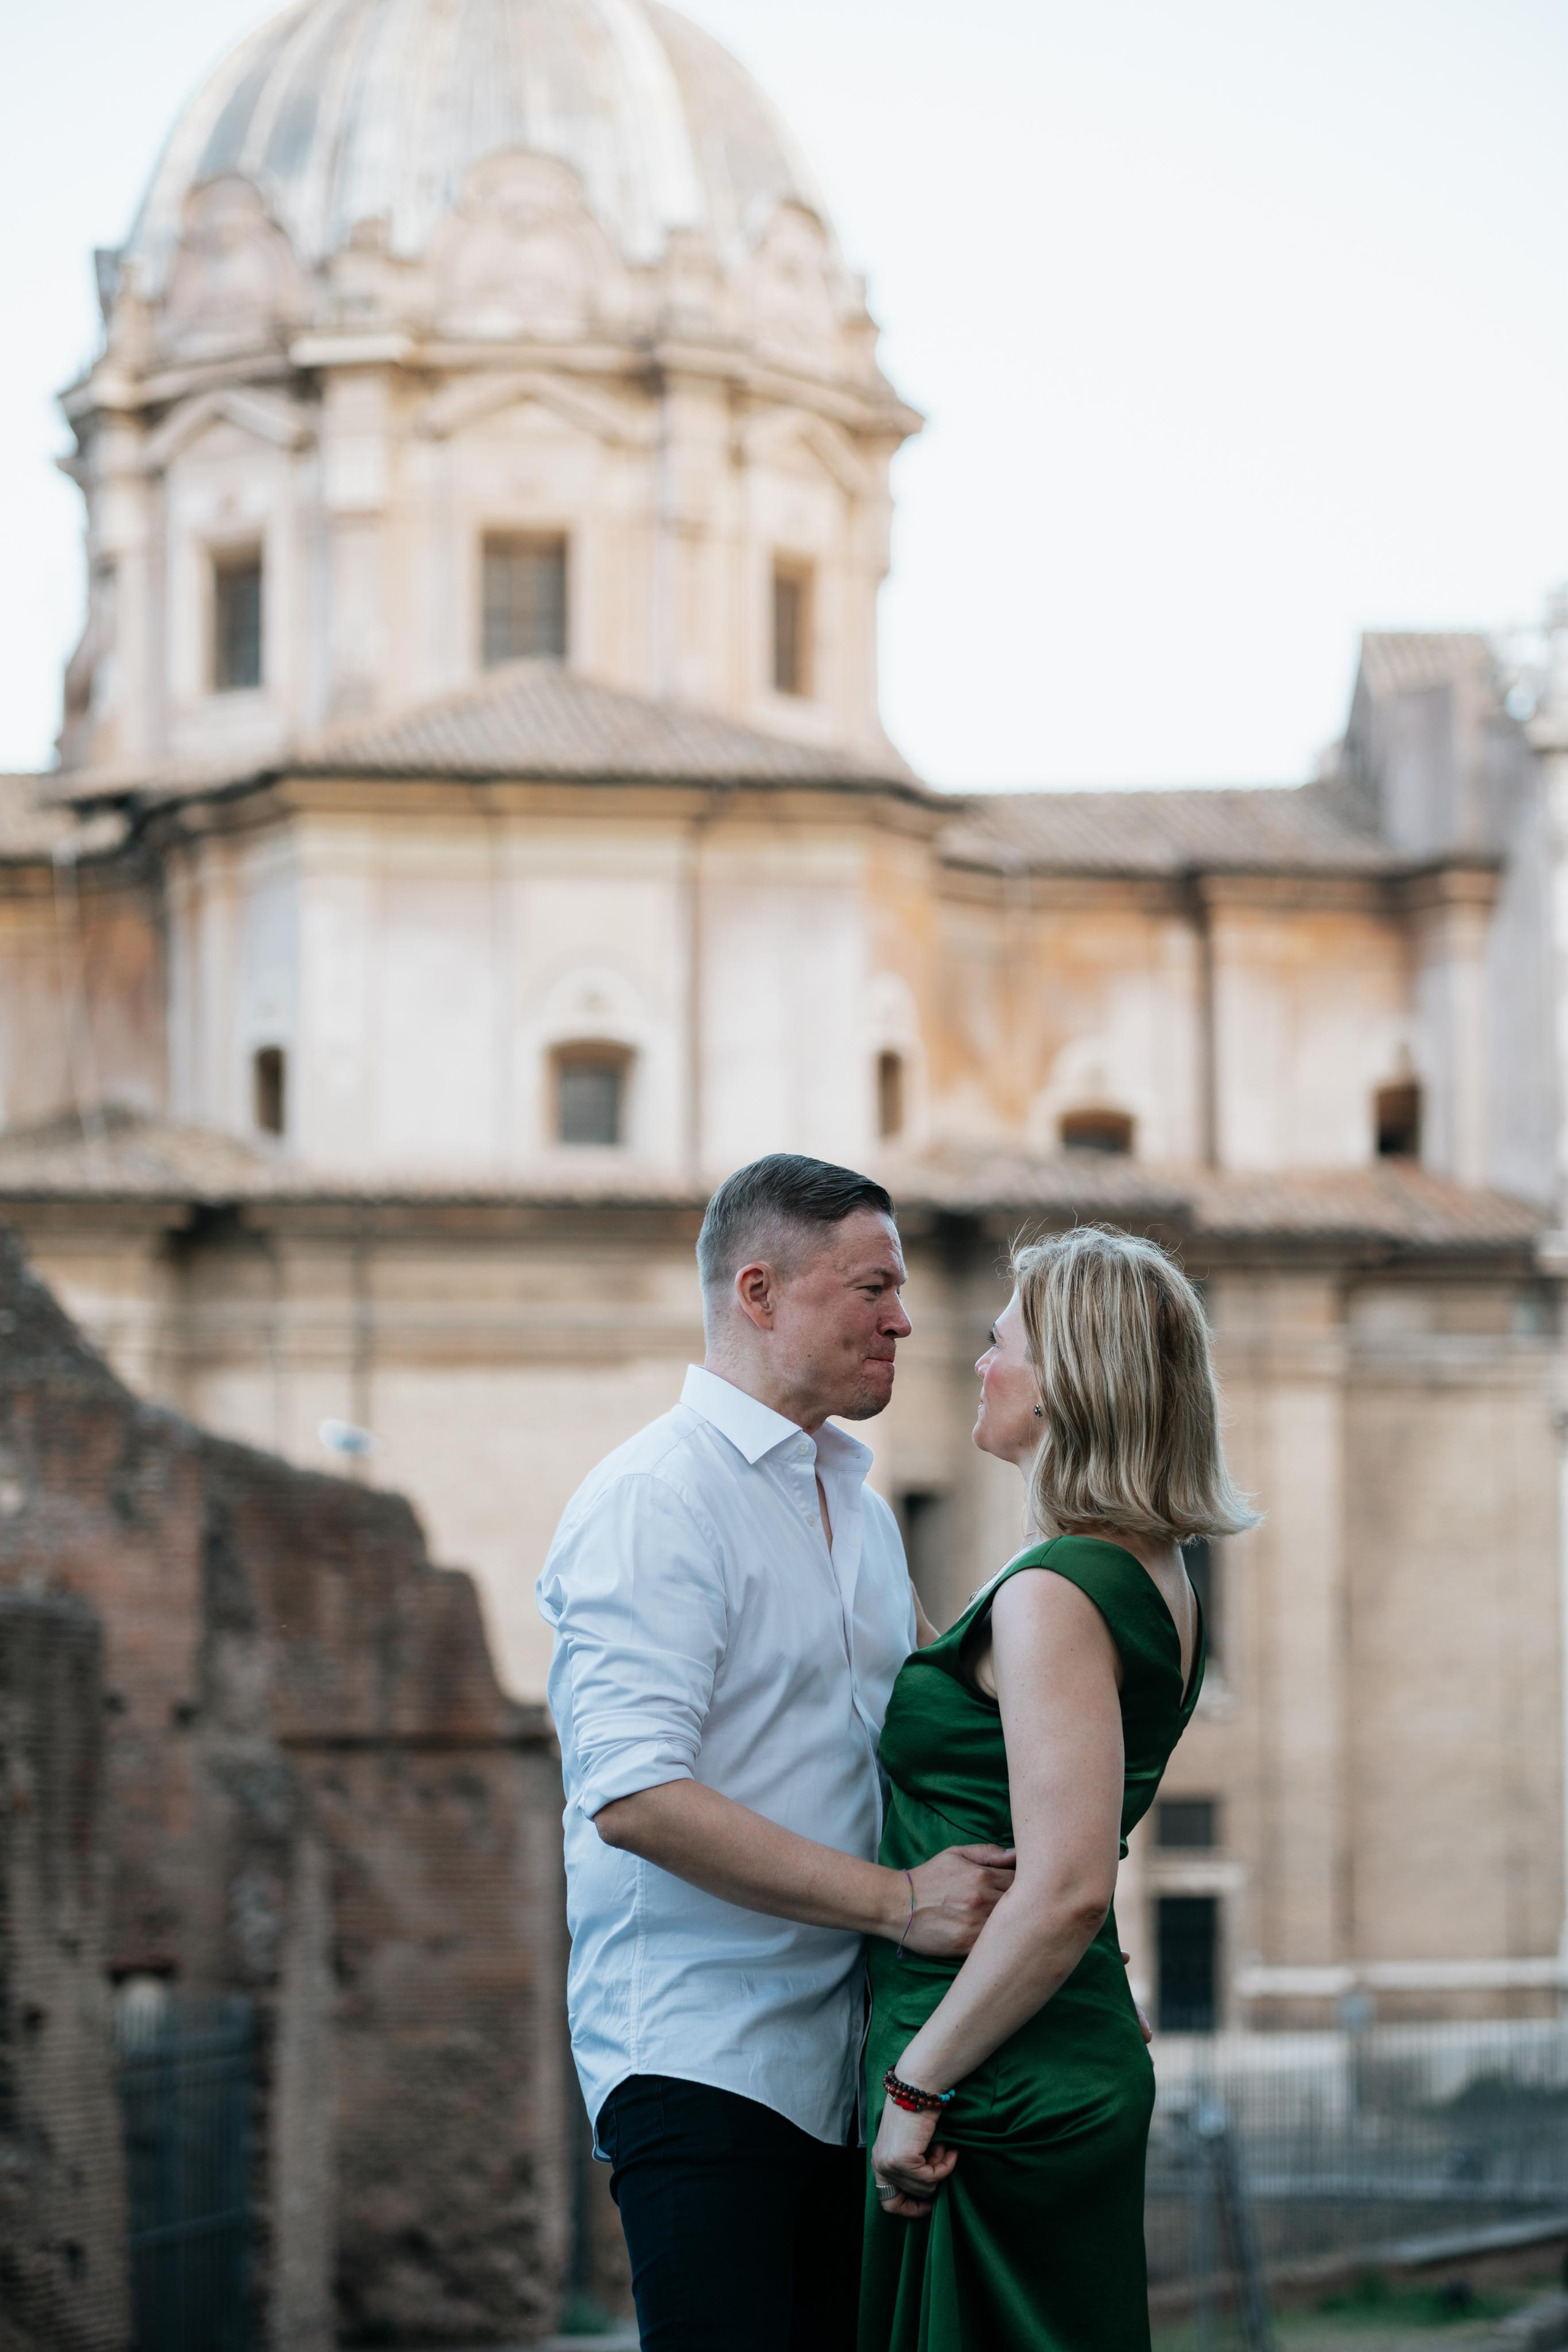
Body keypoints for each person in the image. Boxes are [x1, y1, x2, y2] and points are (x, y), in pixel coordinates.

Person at [537, 1153, 1017, 2352]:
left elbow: (938, 1735)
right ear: (758, 1293)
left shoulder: (854, 1505)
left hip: (851, 2063)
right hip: (704, 2067)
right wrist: (901, 1902)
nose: (902, 1318)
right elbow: (635, 1795)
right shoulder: (655, 1498)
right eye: (869, 1288)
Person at [860, 1224, 1260, 2352]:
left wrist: (916, 2088)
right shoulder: (1152, 1570)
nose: (978, 1367)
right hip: (1045, 2043)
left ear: (1067, 1382)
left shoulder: (1059, 1590)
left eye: (999, 1347)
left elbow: (1070, 1883)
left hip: (993, 2073)